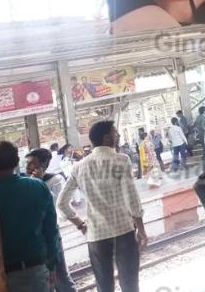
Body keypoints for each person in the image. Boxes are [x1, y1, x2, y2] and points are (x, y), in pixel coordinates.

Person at [57, 121, 147, 292]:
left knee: (104, 286)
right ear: (107, 138)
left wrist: (80, 224)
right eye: (115, 133)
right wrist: (141, 229)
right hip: (124, 232)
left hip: (96, 235)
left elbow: (61, 203)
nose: (118, 136)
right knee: (129, 283)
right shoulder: (121, 160)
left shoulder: (79, 167)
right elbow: (132, 198)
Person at [0, 141, 59, 292]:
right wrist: (52, 265)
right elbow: (51, 230)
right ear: (17, 161)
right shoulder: (37, 186)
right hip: (36, 268)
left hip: (2, 273)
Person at [25, 148, 77, 292]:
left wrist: (39, 184)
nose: (28, 167)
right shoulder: (24, 182)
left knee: (60, 274)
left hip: (51, 233)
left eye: (32, 163)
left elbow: (57, 205)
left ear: (44, 164)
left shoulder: (56, 179)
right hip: (34, 235)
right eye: (27, 163)